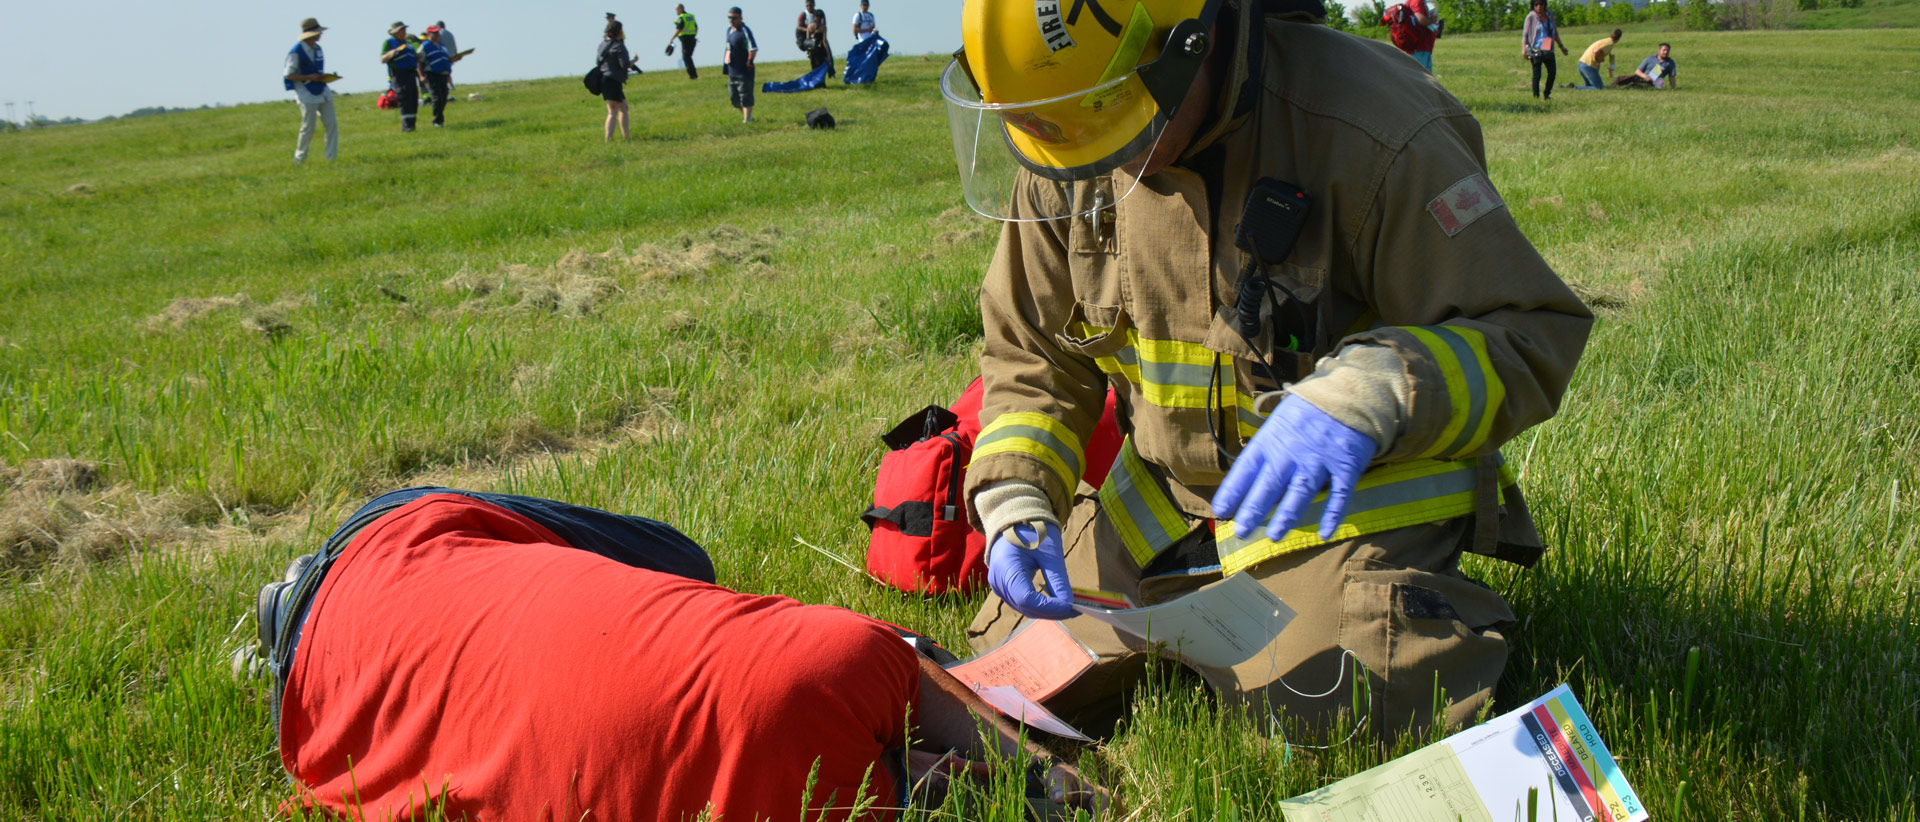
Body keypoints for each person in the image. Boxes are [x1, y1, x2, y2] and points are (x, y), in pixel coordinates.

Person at [941, 0, 1592, 739]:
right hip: (1169, 507)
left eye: (1121, 121)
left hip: (1343, 508)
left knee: (1338, 710)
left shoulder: (1374, 128)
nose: (1111, 163)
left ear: (1197, 41)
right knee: (1005, 681)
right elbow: (1034, 353)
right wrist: (1017, 497)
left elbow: (1529, 330)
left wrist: (1370, 395)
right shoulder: (1070, 138)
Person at [246, 487, 1106, 820]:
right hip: (383, 558)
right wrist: (1038, 768)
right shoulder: (843, 662)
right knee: (682, 560)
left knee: (685, 575)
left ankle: (1024, 788)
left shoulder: (838, 667)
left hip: (333, 650)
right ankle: (1029, 784)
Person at [284, 18, 337, 163]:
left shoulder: (318, 49)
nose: (320, 34)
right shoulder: (296, 51)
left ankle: (331, 158)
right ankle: (299, 159)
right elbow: (289, 74)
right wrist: (309, 77)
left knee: (331, 124)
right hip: (306, 93)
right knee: (308, 127)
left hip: (323, 90)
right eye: (318, 32)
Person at [1521, 0, 1569, 100]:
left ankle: (1547, 94)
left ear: (1545, 5)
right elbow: (1525, 35)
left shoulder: (1550, 15)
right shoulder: (1531, 16)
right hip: (1536, 49)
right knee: (1537, 74)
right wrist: (1524, 50)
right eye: (1536, 4)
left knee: (1552, 73)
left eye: (1541, 4)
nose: (1539, 6)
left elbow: (1555, 32)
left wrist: (1561, 46)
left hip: (1548, 49)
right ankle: (1536, 96)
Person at [598, 20, 637, 140]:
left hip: (604, 78)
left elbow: (598, 61)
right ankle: (609, 139)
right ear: (619, 32)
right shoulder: (619, 46)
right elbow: (624, 64)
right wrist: (634, 61)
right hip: (613, 80)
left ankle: (626, 136)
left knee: (624, 108)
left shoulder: (603, 44)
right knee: (613, 112)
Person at [379, 22, 420, 131]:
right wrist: (393, 52)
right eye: (402, 29)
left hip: (411, 74)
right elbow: (382, 58)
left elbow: (415, 58)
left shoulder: (408, 44)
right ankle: (406, 128)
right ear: (395, 32)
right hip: (399, 74)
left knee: (413, 99)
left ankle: (412, 126)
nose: (404, 31)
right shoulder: (389, 42)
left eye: (404, 29)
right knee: (404, 99)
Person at [724, 7, 758, 123]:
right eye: (729, 17)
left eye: (734, 18)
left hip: (744, 71)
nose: (731, 20)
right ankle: (749, 117)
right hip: (732, 70)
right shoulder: (729, 31)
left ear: (740, 18)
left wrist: (749, 61)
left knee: (745, 96)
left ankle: (747, 120)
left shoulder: (745, 31)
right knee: (734, 98)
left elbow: (753, 48)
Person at [1388, 0, 1439, 74]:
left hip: (1418, 48)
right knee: (1423, 77)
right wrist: (1432, 20)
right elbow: (1420, 19)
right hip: (1419, 49)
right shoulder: (1417, 1)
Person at [418, 26, 453, 127]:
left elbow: (446, 60)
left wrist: (449, 74)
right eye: (434, 33)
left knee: (444, 96)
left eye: (437, 33)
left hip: (443, 75)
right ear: (428, 34)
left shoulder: (443, 47)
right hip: (431, 74)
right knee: (436, 97)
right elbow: (420, 62)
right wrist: (421, 76)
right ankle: (437, 121)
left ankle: (439, 118)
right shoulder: (425, 46)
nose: (437, 35)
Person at [804, 4, 837, 79]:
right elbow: (824, 41)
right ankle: (822, 81)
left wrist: (807, 51)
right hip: (820, 49)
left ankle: (815, 82)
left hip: (813, 49)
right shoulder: (823, 27)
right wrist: (828, 54)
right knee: (821, 65)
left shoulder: (809, 26)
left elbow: (807, 40)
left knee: (814, 66)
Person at [669, 4, 700, 79]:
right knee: (688, 56)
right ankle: (693, 74)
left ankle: (693, 75)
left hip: (685, 39)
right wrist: (693, 35)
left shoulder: (682, 18)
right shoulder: (690, 17)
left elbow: (679, 29)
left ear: (681, 9)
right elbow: (696, 27)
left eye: (676, 9)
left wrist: (672, 38)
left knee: (686, 57)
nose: (676, 11)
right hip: (692, 39)